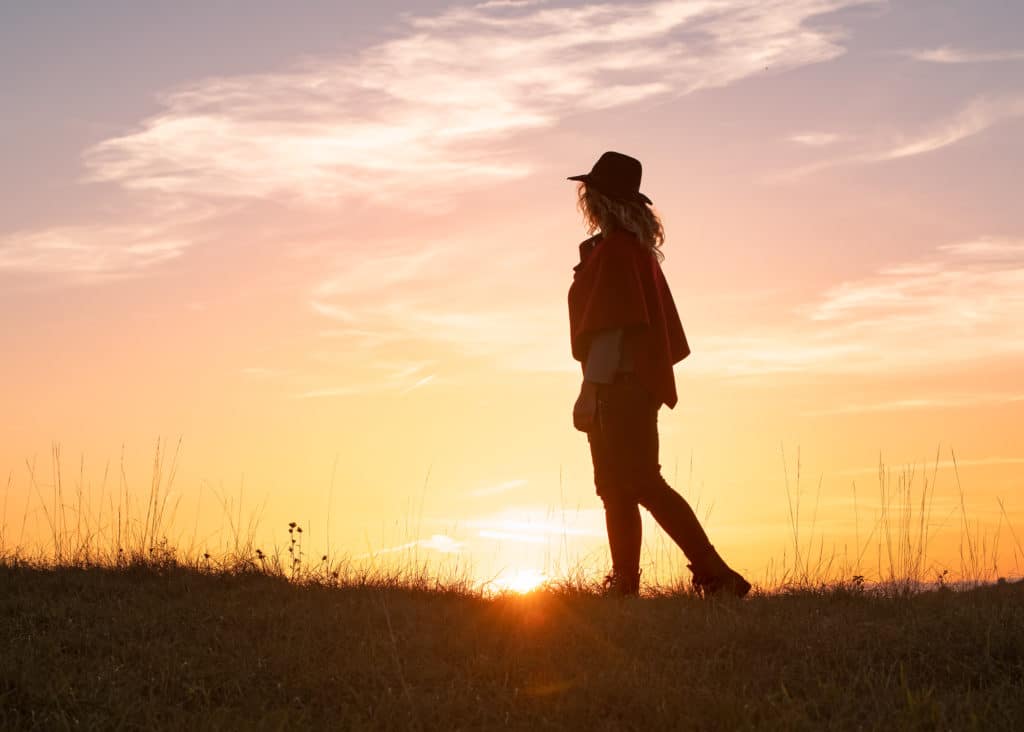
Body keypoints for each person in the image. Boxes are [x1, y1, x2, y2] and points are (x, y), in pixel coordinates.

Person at [566, 151, 751, 598]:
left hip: (618, 385)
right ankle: (627, 584)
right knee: (619, 488)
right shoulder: (631, 251)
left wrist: (590, 390)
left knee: (640, 483)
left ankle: (714, 574)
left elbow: (610, 328)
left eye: (589, 193)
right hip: (631, 385)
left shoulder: (617, 253)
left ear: (599, 200)